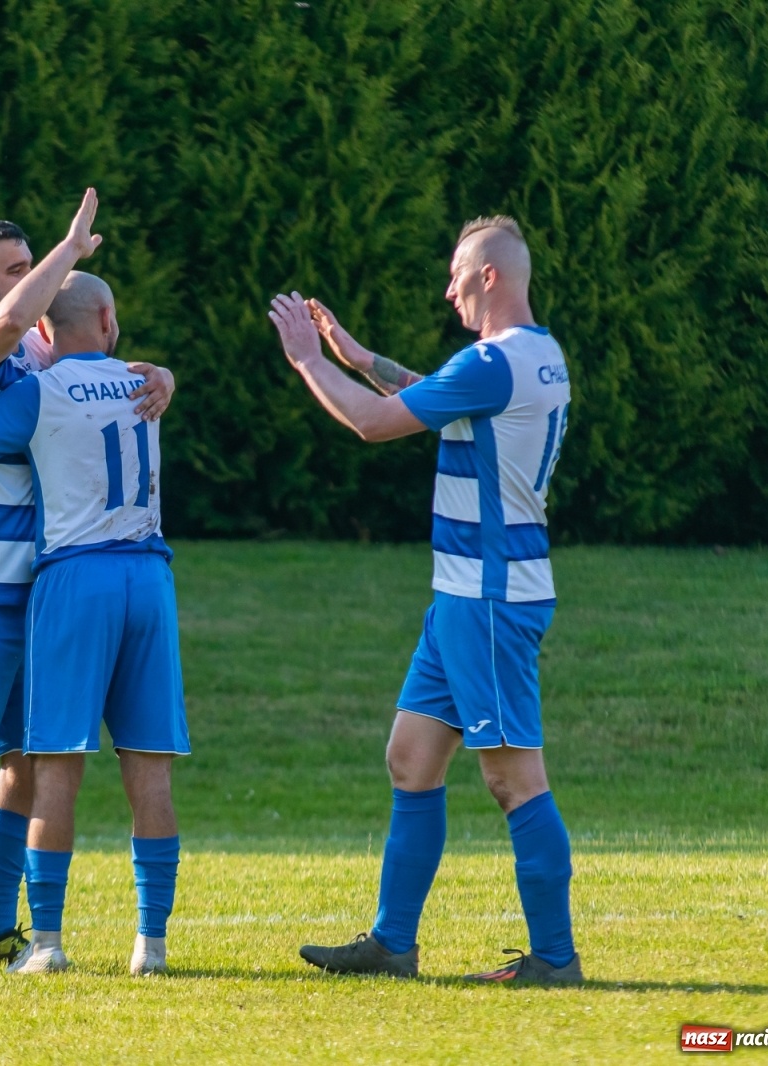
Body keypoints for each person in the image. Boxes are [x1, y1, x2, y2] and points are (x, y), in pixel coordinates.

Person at [269, 216, 580, 984]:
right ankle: (392, 945)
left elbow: (377, 424)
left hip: (489, 598)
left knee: (514, 779)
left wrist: (310, 362)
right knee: (411, 760)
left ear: (491, 278)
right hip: (464, 598)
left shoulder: (491, 361)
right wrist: (357, 355)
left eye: (457, 275)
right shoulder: (532, 356)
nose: (448, 291)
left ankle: (555, 960)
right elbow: (431, 395)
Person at [0, 192, 176, 971]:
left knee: (27, 758)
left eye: (37, 268)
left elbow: (100, 370)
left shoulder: (42, 360)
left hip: (39, 591)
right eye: (18, 272)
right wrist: (70, 250)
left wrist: (162, 378)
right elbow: (21, 323)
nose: (37, 284)